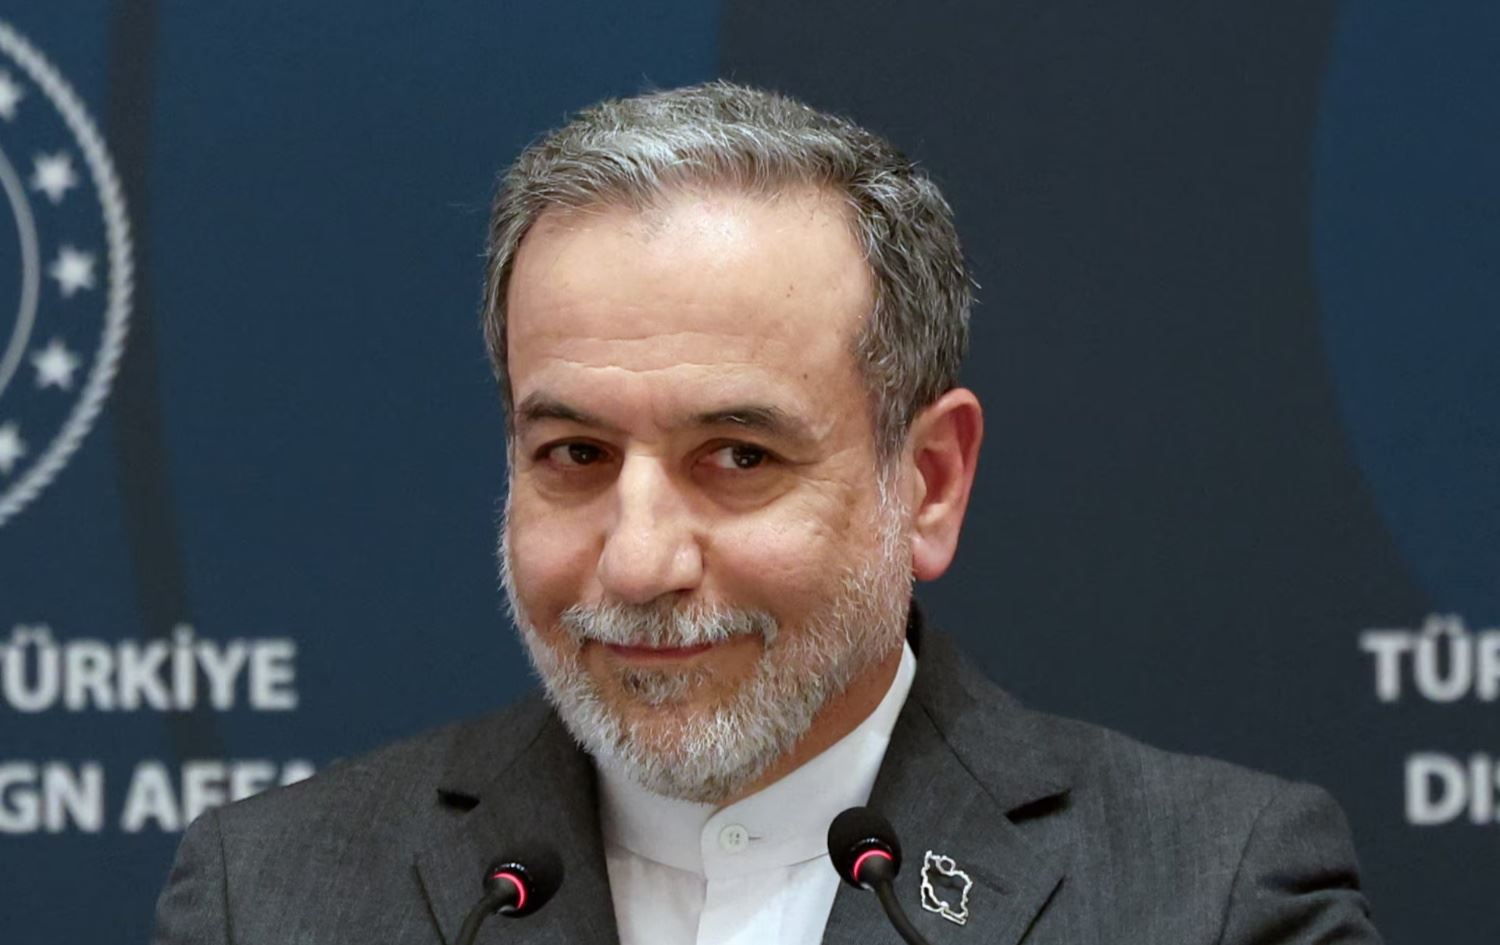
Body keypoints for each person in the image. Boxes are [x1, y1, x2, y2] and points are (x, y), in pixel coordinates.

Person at [152, 82, 1382, 944]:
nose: (638, 561)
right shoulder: (270, 899)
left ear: (929, 482)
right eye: (574, 453)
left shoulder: (1212, 896)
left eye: (737, 456)